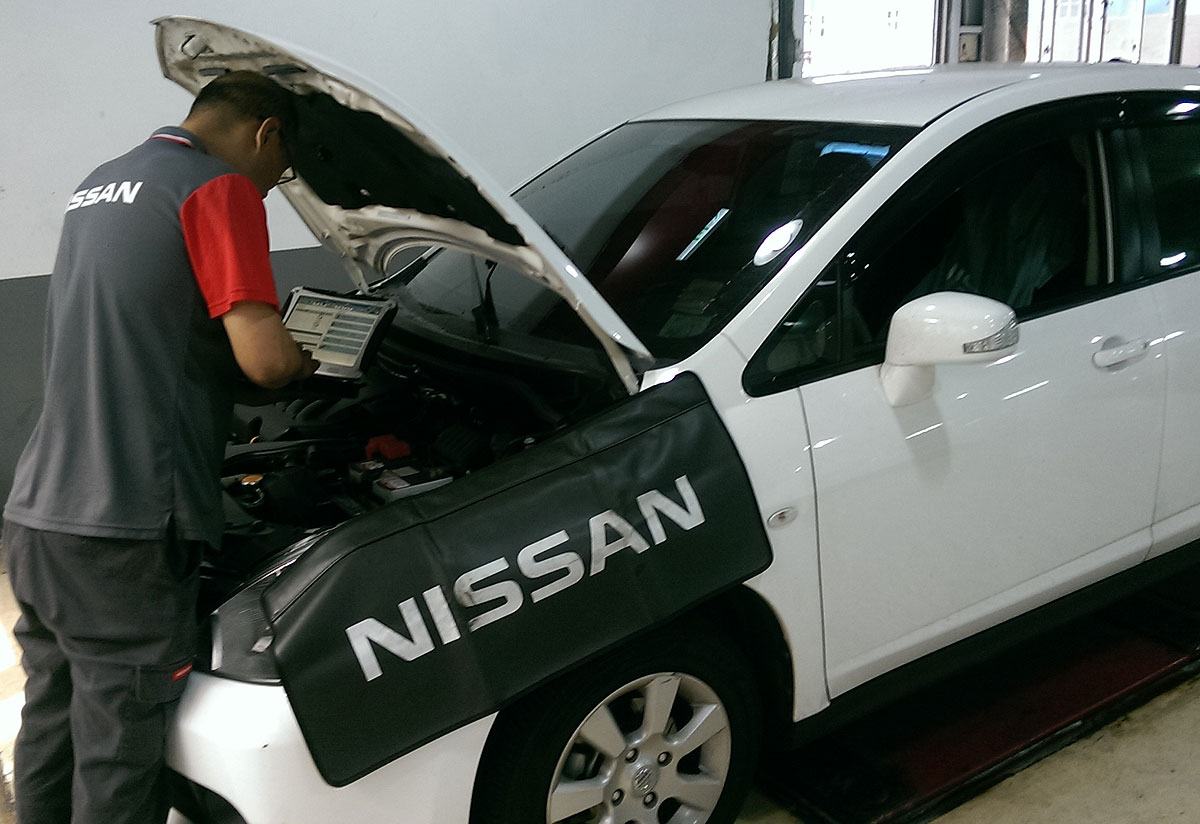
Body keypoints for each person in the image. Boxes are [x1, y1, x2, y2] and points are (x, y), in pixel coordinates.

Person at [1, 70, 318, 823]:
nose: (273, 185)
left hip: (41, 513)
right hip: (128, 524)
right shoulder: (218, 188)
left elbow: (142, 326)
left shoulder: (101, 184)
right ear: (266, 133)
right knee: (120, 748)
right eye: (282, 169)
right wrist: (308, 363)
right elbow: (266, 361)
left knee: (53, 718)